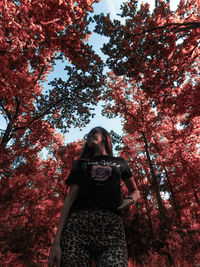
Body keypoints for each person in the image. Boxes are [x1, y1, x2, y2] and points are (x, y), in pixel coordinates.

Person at [48, 127, 140, 267]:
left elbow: (135, 191)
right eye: (88, 134)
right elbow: (70, 199)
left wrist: (130, 200)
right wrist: (56, 242)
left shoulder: (120, 162)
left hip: (111, 229)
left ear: (104, 137)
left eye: (93, 132)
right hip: (78, 228)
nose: (89, 135)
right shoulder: (82, 163)